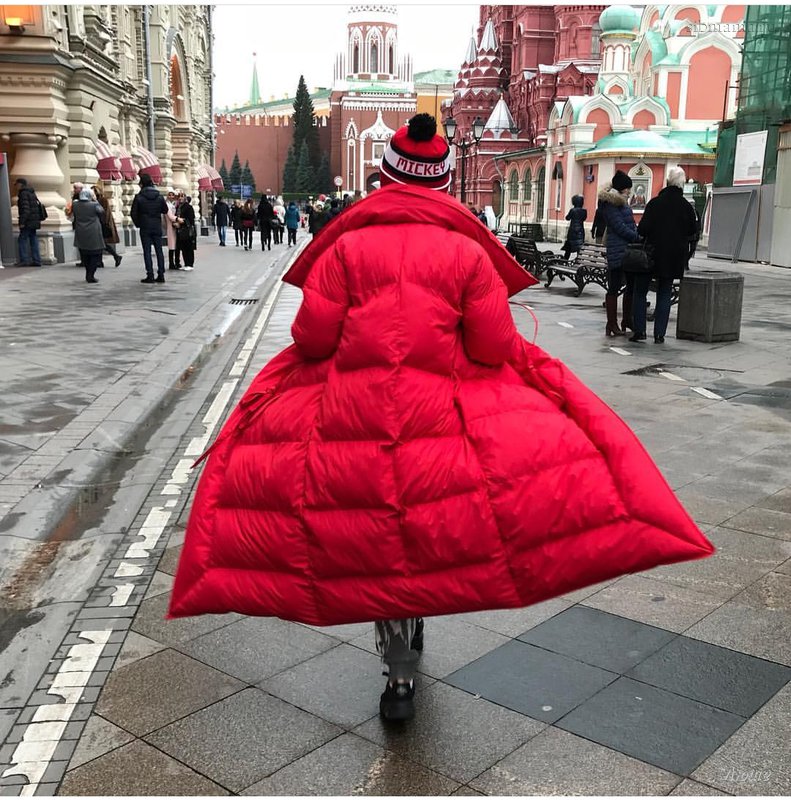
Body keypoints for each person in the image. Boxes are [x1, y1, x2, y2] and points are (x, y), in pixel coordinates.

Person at [169, 113, 713, 725]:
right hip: (438, 419)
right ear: (442, 183)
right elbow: (492, 345)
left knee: (374, 536)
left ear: (386, 178)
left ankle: (395, 661)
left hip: (353, 417)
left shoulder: (346, 247)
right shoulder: (466, 251)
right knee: (424, 527)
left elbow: (314, 338)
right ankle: (410, 639)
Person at [634, 167, 700, 343]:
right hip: (673, 256)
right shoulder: (686, 206)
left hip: (651, 254)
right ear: (682, 184)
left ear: (668, 182)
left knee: (640, 291)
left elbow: (643, 229)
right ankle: (659, 334)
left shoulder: (654, 203)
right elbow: (692, 230)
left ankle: (640, 331)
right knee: (664, 293)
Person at [599, 170, 640, 337]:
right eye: (627, 188)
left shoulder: (621, 202)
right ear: (622, 188)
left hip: (627, 251)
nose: (629, 191)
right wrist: (636, 237)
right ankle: (612, 323)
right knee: (614, 287)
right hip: (617, 250)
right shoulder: (611, 204)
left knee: (630, 285)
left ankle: (627, 320)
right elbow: (619, 227)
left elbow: (628, 224)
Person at [130, 173, 168, 284]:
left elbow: (133, 213)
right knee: (159, 251)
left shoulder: (139, 197)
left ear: (141, 184)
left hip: (145, 226)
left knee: (147, 251)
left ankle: (150, 275)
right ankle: (161, 274)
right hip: (156, 225)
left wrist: (138, 223)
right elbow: (165, 210)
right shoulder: (159, 196)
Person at [72, 188, 105, 284]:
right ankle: (90, 274)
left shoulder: (75, 204)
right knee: (95, 253)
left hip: (80, 231)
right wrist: (95, 200)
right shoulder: (94, 205)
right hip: (93, 231)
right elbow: (102, 211)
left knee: (84, 253)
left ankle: (88, 272)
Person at [15, 178, 44, 267]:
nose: (16, 187)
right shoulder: (31, 192)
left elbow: (25, 209)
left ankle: (24, 260)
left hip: (28, 221)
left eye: (16, 185)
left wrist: (22, 222)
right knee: (33, 239)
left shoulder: (23, 194)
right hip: (34, 220)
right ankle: (37, 260)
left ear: (20, 184)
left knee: (22, 239)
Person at [93, 182, 122, 267]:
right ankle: (101, 261)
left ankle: (116, 256)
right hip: (99, 224)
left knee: (102, 243)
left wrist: (104, 223)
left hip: (102, 224)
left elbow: (105, 213)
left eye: (93, 192)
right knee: (100, 244)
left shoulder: (102, 200)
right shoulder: (97, 200)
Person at [561, 195, 586, 261]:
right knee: (579, 246)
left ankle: (565, 259)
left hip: (572, 230)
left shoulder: (572, 210)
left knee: (569, 246)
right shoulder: (584, 211)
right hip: (580, 230)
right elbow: (584, 218)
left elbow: (567, 218)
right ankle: (579, 260)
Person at [175, 196, 197, 271]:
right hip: (181, 230)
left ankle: (190, 264)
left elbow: (191, 219)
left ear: (185, 198)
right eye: (179, 197)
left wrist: (182, 221)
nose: (180, 198)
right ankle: (186, 263)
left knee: (189, 247)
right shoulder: (178, 207)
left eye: (182, 197)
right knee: (183, 247)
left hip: (187, 230)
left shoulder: (188, 207)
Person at [164, 190, 180, 270]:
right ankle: (171, 263)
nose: (171, 196)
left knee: (176, 245)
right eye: (169, 195)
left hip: (176, 226)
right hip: (170, 225)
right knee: (171, 245)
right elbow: (170, 216)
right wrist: (178, 219)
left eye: (172, 195)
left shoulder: (175, 204)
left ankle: (177, 262)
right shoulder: (166, 205)